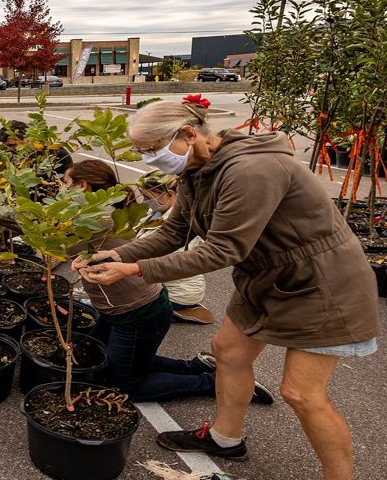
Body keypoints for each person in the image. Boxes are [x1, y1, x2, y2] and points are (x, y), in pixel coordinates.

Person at [75, 96, 379, 480]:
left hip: (322, 286)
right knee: (227, 351)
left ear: (188, 133)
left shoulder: (250, 171)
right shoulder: (199, 171)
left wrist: (134, 269)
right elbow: (176, 231)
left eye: (150, 147)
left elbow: (222, 250)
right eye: (139, 152)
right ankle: (225, 438)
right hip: (267, 279)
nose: (146, 159)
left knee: (301, 392)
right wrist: (117, 253)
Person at [56, 160, 274, 402]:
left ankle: (217, 383)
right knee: (108, 356)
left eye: (65, 183)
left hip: (137, 312)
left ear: (83, 186)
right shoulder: (103, 213)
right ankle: (196, 367)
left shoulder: (96, 219)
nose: (61, 189)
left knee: (124, 385)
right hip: (121, 308)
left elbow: (51, 241)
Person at [136, 172, 214, 324]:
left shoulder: (184, 223)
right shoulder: (158, 212)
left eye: (148, 197)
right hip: (162, 284)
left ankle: (179, 309)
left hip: (178, 290)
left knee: (130, 310)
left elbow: (167, 263)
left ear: (170, 194)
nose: (144, 202)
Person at [0, 119, 73, 181]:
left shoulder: (56, 155)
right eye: (5, 147)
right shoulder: (21, 155)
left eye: (12, 145)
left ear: (28, 139)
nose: (9, 150)